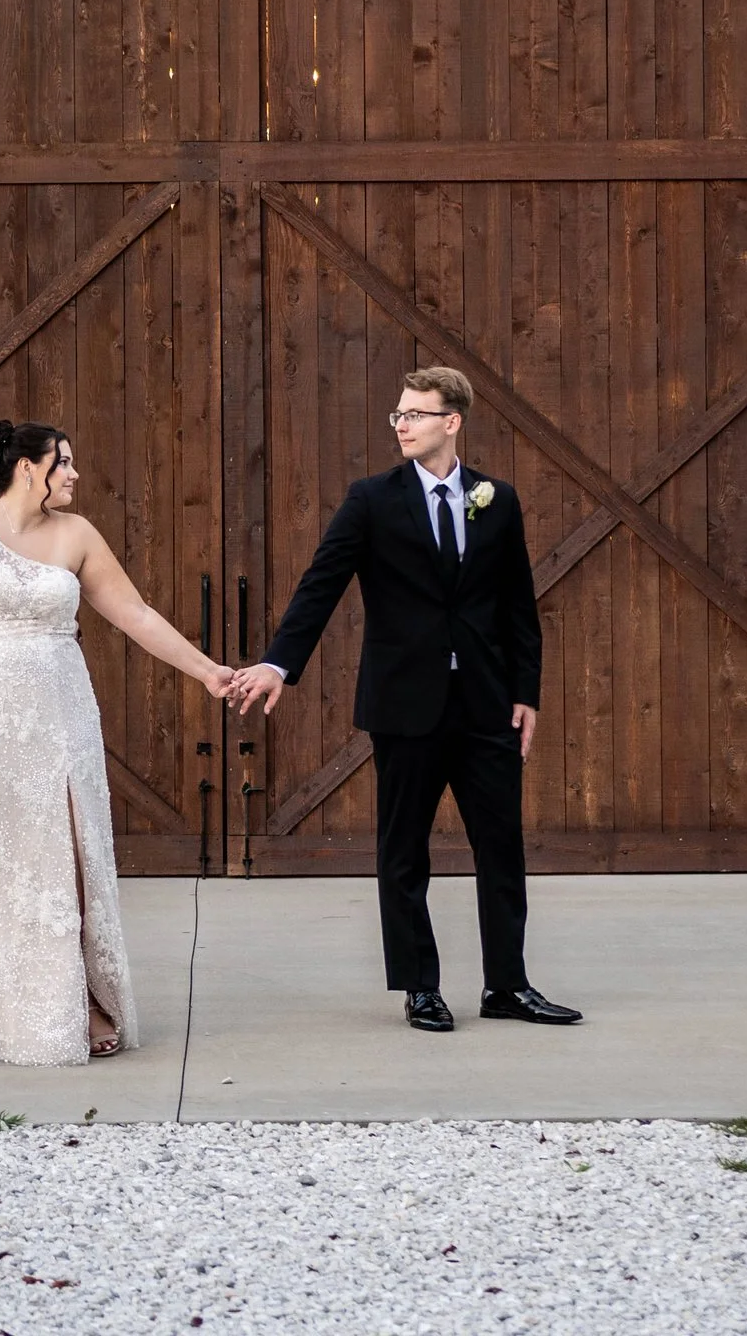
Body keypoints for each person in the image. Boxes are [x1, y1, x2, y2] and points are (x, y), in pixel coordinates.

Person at [228, 367, 581, 1034]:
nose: (402, 424)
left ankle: (507, 986)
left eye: (417, 413)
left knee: (501, 850)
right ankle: (421, 988)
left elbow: (517, 608)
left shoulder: (494, 500)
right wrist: (280, 663)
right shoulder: (372, 500)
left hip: (486, 706)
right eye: (398, 414)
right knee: (404, 853)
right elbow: (321, 584)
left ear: (453, 421)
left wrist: (525, 695)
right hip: (405, 707)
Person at [0, 420, 236, 1065]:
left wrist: (207, 671)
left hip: (56, 715)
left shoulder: (77, 535)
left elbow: (135, 614)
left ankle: (80, 997)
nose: (74, 474)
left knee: (65, 850)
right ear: (27, 466)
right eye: (64, 463)